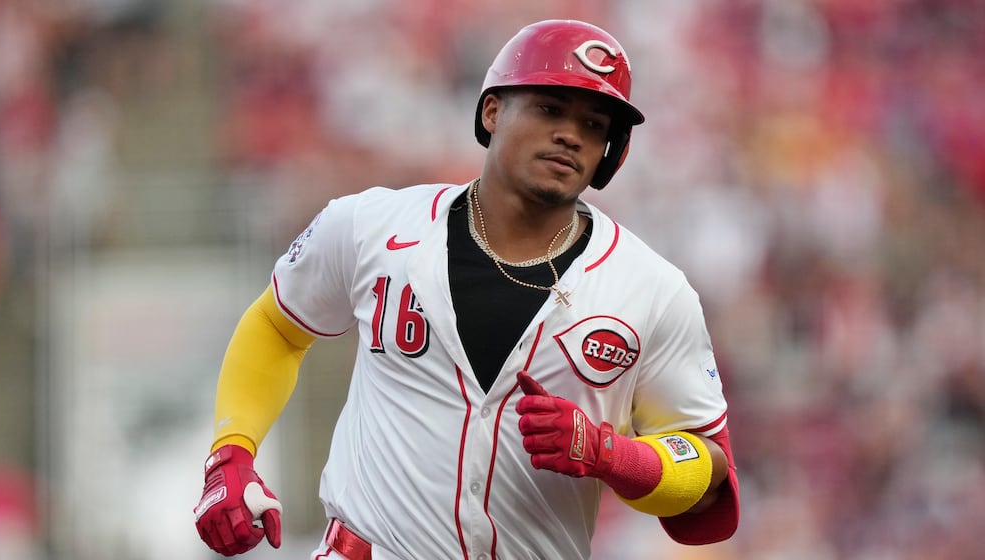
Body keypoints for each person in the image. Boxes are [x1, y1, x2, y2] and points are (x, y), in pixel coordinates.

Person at [193, 19, 740, 560]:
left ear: (609, 152)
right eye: (550, 108)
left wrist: (612, 456)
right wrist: (231, 454)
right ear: (492, 110)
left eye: (594, 124)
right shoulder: (371, 226)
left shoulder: (653, 290)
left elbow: (709, 471)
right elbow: (276, 326)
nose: (571, 134)